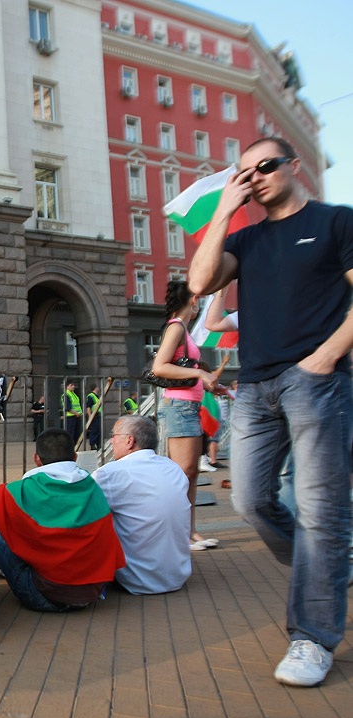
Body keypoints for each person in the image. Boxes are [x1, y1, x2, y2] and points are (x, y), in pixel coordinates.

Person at [188, 135, 353, 687]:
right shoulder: (248, 237)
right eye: (244, 172)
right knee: (253, 500)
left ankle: (313, 636)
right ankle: (327, 565)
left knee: (319, 509)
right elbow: (199, 282)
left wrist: (327, 356)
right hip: (255, 387)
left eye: (264, 166)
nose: (254, 176)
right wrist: (225, 212)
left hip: (316, 382)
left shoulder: (336, 223)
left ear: (293, 166)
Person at [0, 429, 125, 612]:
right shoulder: (93, 487)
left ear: (37, 459)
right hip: (91, 592)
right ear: (75, 457)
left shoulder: (23, 489)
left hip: (42, 596)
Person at [152, 280, 222, 552]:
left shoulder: (183, 329)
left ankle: (189, 532)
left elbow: (181, 368)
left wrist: (211, 384)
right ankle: (180, 533)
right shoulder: (176, 327)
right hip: (179, 408)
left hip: (188, 407)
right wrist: (199, 373)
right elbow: (160, 367)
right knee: (183, 474)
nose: (200, 304)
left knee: (190, 474)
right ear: (192, 300)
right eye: (199, 299)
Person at [93, 416, 191, 595]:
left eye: (114, 435)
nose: (112, 440)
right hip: (177, 575)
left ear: (130, 440)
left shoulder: (110, 473)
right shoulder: (172, 467)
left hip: (135, 579)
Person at [62, 380, 82, 447]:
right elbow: (68, 408)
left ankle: (74, 448)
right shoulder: (66, 395)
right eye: (71, 385)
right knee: (70, 434)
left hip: (76, 417)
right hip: (70, 417)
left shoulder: (74, 394)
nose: (73, 386)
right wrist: (76, 413)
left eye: (74, 385)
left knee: (76, 434)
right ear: (67, 386)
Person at [85, 384, 103, 451]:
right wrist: (90, 416)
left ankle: (98, 445)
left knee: (98, 430)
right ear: (96, 388)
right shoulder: (91, 396)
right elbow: (88, 407)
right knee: (94, 430)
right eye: (98, 387)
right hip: (94, 415)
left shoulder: (97, 396)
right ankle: (93, 444)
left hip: (98, 415)